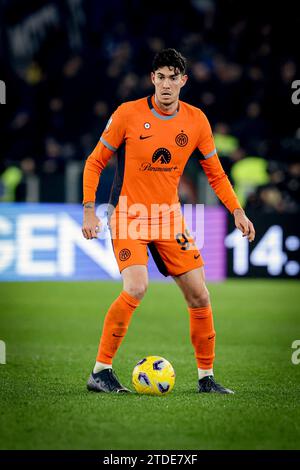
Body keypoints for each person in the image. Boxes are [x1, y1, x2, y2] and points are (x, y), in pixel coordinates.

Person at [82, 48, 255, 394]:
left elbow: (216, 173)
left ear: (183, 81)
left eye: (172, 77)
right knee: (136, 287)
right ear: (152, 79)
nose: (165, 84)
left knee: (200, 297)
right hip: (129, 215)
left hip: (169, 219)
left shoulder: (196, 121)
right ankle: (101, 371)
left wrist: (237, 209)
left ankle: (206, 379)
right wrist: (89, 208)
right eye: (160, 77)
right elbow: (94, 162)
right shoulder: (127, 115)